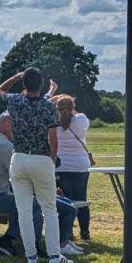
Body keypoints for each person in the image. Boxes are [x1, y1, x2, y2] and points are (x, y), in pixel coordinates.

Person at [0, 113, 78, 257]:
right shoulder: (5, 147)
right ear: (9, 125)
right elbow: (23, 176)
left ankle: (55, 242)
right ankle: (14, 241)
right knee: (37, 204)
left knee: (58, 203)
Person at [0, 67, 68, 263]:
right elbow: (53, 139)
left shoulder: (16, 101)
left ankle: (31, 256)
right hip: (41, 158)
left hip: (19, 157)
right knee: (49, 209)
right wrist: (52, 160)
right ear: (42, 83)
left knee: (24, 211)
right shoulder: (48, 107)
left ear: (24, 84)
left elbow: (1, 89)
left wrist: (16, 75)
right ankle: (54, 255)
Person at [52, 95, 92, 253]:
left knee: (65, 201)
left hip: (61, 165)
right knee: (82, 199)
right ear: (73, 106)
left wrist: (54, 98)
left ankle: (68, 234)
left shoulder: (53, 121)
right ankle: (85, 232)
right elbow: (78, 117)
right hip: (80, 165)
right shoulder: (81, 120)